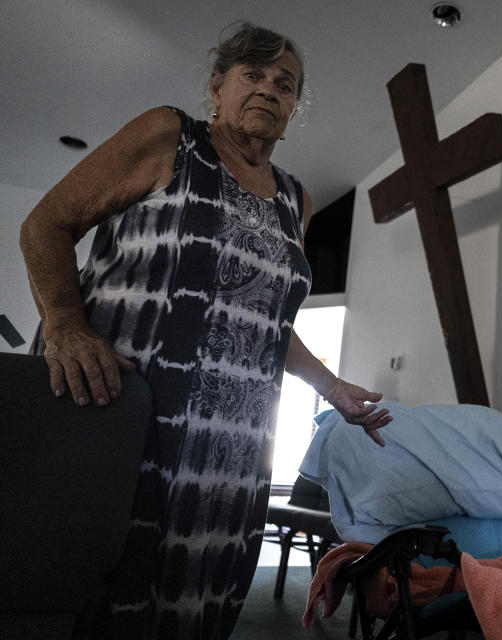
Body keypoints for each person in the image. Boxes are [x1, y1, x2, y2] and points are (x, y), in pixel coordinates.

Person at [19, 21, 391, 639]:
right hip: (124, 414)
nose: (270, 90)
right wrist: (65, 326)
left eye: (285, 83)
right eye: (254, 74)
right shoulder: (170, 137)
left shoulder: (293, 199)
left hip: (234, 452)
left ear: (294, 106)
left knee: (199, 598)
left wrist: (334, 389)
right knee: (91, 586)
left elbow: (268, 322)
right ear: (217, 86)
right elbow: (46, 224)